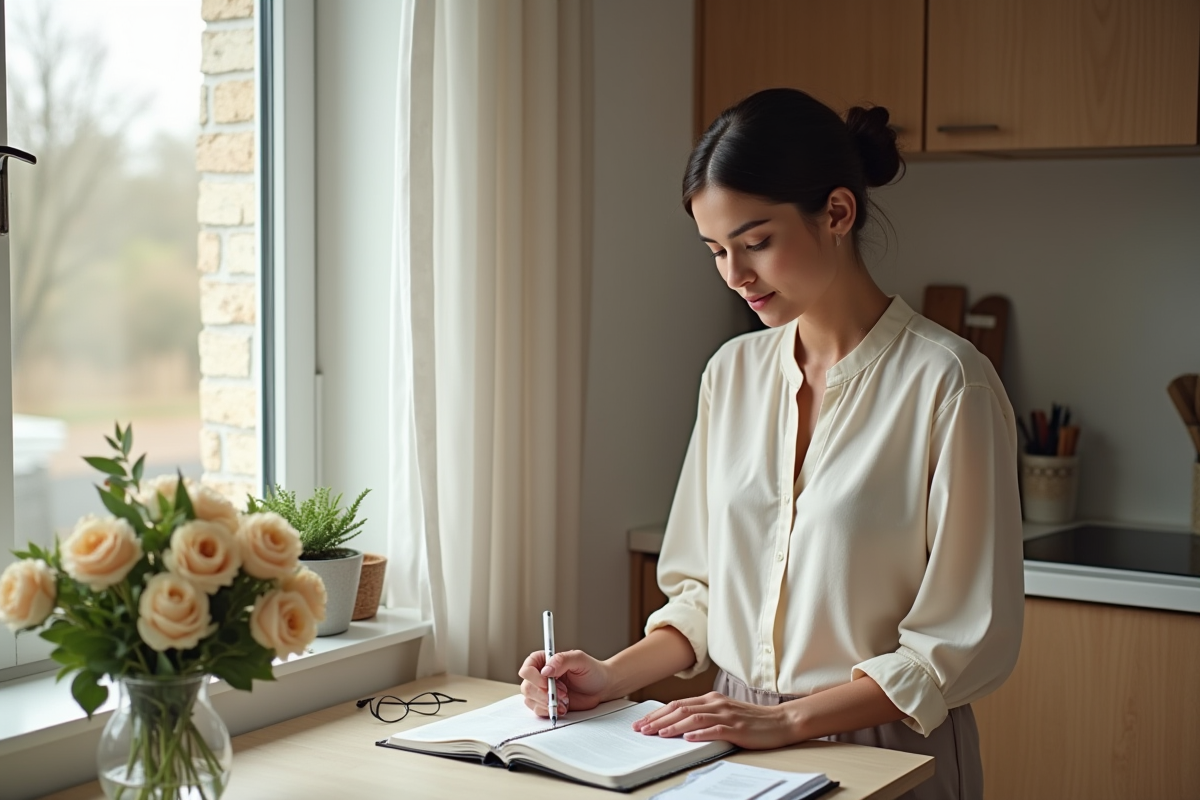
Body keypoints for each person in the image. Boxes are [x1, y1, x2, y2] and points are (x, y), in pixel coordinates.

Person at [518, 88, 1024, 800]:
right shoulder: (732, 373)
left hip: (885, 746)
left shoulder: (947, 382)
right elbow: (703, 595)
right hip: (732, 737)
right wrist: (607, 675)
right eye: (717, 251)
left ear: (837, 213)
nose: (735, 275)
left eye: (755, 243)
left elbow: (956, 644)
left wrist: (787, 720)